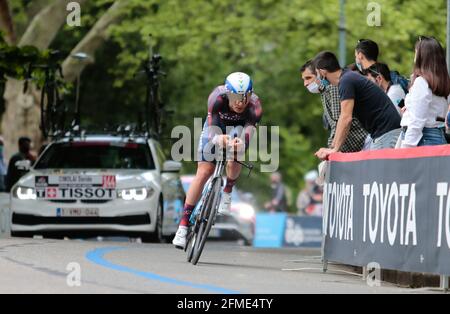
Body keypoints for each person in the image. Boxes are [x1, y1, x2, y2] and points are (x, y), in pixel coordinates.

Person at [172, 72, 263, 248]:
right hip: (216, 126)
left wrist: (240, 143)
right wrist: (218, 139)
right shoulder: (217, 98)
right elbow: (212, 129)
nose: (240, 102)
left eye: (245, 97)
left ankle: (227, 191)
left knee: (235, 155)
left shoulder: (255, 106)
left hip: (239, 129)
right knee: (204, 171)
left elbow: (248, 134)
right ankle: (183, 226)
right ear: (228, 94)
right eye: (236, 96)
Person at [313, 51, 401, 160]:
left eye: (316, 74)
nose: (317, 79)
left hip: (386, 132)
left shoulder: (346, 81)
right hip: (381, 133)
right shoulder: (347, 77)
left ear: (322, 72)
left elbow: (346, 118)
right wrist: (332, 147)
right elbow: (342, 118)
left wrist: (334, 150)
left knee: (381, 176)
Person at [301, 60, 367, 153]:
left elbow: (339, 122)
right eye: (304, 79)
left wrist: (331, 149)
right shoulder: (324, 91)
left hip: (360, 143)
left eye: (308, 78)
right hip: (353, 146)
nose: (305, 83)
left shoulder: (333, 87)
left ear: (320, 73)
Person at [398, 36, 450, 148]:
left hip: (423, 139)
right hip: (436, 136)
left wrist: (407, 147)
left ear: (422, 56)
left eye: (416, 52)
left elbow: (417, 120)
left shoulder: (421, 82)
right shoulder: (441, 81)